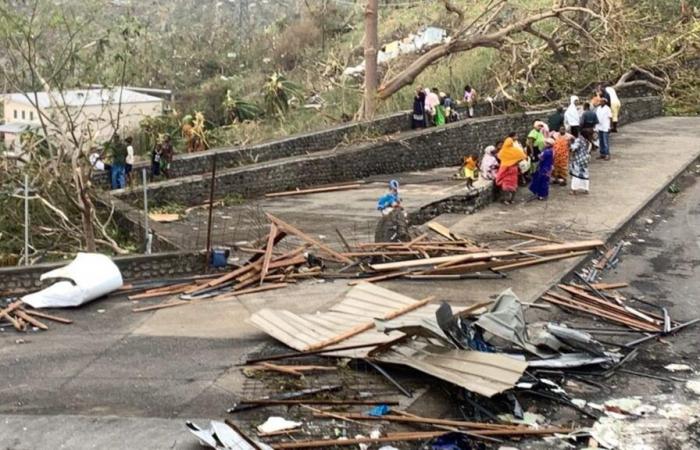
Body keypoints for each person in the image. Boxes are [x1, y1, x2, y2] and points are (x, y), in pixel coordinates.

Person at [495, 132, 526, 205]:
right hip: (513, 170)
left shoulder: (503, 151)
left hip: (506, 170)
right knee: (513, 186)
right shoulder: (516, 150)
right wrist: (516, 162)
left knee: (505, 187)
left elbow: (499, 157)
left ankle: (506, 200)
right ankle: (511, 199)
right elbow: (523, 157)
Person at [569, 128, 594, 195]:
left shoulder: (579, 140)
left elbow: (573, 148)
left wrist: (570, 144)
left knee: (576, 174)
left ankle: (574, 189)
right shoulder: (589, 141)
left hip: (578, 159)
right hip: (585, 159)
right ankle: (586, 189)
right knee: (585, 173)